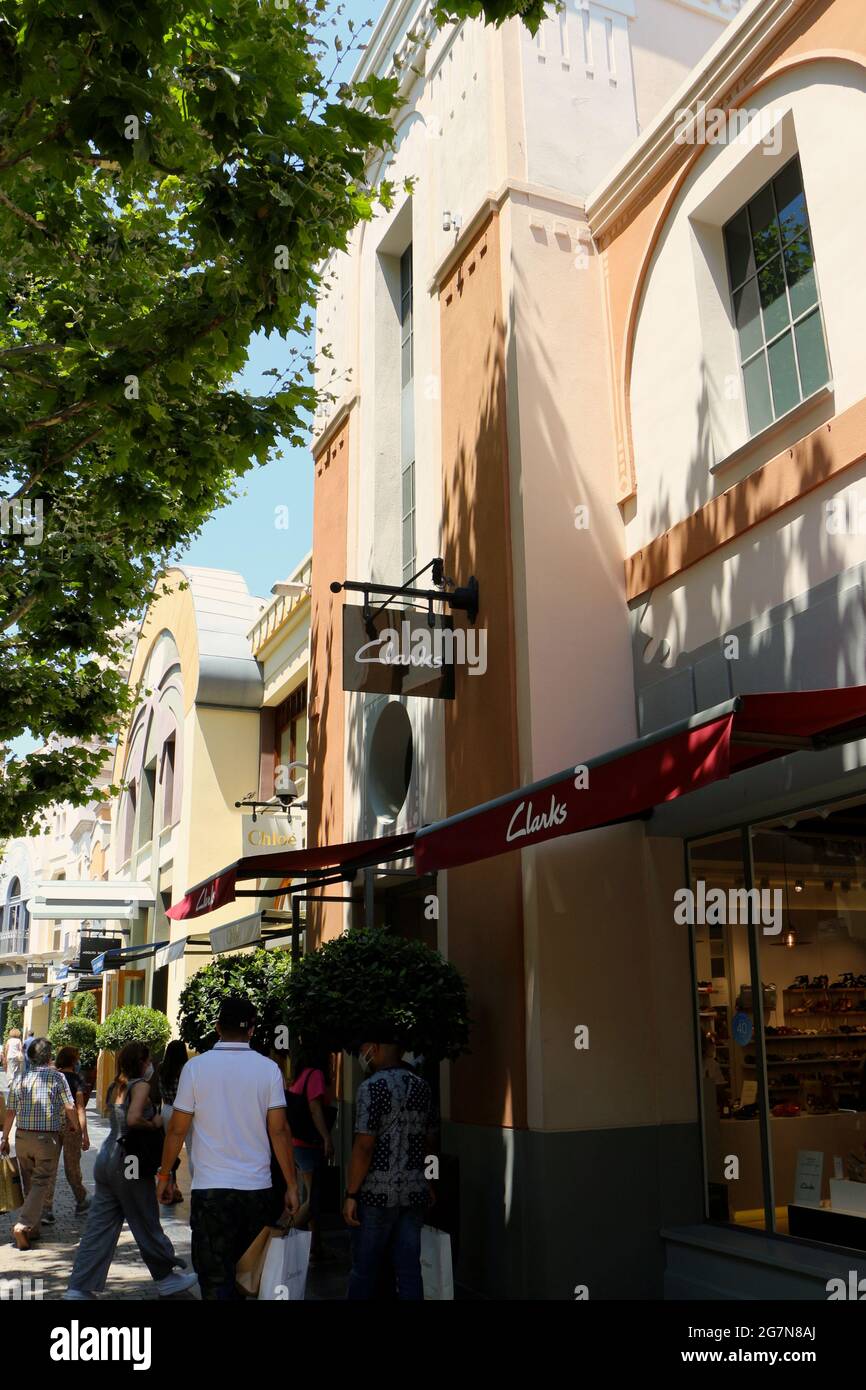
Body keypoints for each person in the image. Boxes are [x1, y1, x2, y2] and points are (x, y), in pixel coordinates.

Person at [158, 995, 300, 1300]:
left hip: (211, 1193)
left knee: (215, 1281)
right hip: (257, 1191)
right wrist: (291, 1184)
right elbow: (279, 1130)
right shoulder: (269, 1070)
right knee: (247, 1277)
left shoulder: (195, 1069)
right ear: (251, 1030)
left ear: (217, 1027)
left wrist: (164, 1175)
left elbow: (177, 1130)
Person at [62, 1041, 197, 1300]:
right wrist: (154, 1121)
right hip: (128, 1161)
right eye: (148, 1061)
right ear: (142, 1062)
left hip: (106, 1158)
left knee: (99, 1227)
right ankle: (167, 1277)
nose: (150, 1065)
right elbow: (134, 1119)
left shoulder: (115, 1085)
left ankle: (79, 1287)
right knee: (146, 1220)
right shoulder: (142, 1086)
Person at [343, 1038, 436, 1301]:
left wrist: (351, 1194)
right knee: (409, 1269)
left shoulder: (371, 1087)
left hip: (376, 1194)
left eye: (363, 1049)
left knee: (364, 1269)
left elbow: (364, 1146)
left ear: (377, 1049)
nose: (362, 1054)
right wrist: (428, 1182)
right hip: (414, 1191)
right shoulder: (422, 1086)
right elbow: (430, 1139)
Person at [0, 1036, 79, 1250]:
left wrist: (5, 1137)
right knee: (41, 1182)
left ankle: (32, 1229)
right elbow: (70, 1106)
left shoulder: (20, 1078)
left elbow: (10, 1112)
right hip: (46, 1139)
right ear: (49, 1056)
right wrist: (75, 1126)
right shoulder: (57, 1078)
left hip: (23, 1138)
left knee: (29, 1183)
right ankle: (23, 1225)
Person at [280, 1043, 335, 1261]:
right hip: (309, 1145)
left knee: (311, 1196)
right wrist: (326, 1137)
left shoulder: (301, 1076)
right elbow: (314, 1108)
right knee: (313, 1201)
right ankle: (280, 1240)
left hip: (297, 1143)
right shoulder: (316, 1075)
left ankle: (315, 1247)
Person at [43, 1046, 91, 1222]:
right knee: (72, 1166)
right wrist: (84, 1133)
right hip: (71, 1127)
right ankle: (81, 1200)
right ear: (74, 1061)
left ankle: (46, 1209)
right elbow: (79, 1108)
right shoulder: (77, 1079)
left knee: (50, 1167)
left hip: (52, 1125)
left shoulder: (52, 1078)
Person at [157, 1040, 191, 1204]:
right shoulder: (186, 1069)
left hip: (167, 1110)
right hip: (184, 1111)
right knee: (191, 1149)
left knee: (170, 1150)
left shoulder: (162, 1067)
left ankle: (172, 1185)